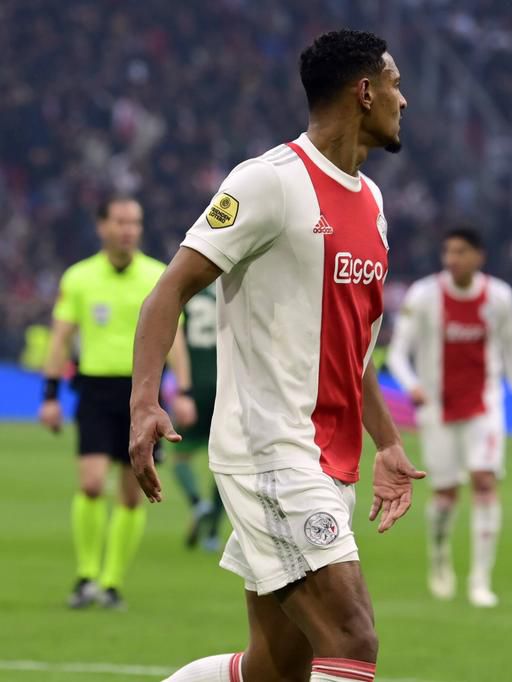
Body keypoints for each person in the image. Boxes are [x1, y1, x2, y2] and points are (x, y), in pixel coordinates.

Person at [130, 29, 423, 682]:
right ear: (365, 92)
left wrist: (387, 442)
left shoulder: (372, 203)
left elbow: (352, 345)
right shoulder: (268, 182)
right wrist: (144, 401)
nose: (403, 100)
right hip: (271, 450)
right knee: (352, 639)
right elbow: (167, 291)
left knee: (277, 668)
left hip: (330, 461)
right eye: (396, 84)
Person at [38, 195, 195, 610]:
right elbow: (61, 337)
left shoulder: (158, 275)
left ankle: (110, 582)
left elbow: (174, 339)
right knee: (90, 484)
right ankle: (86, 575)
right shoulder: (79, 277)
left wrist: (183, 392)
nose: (128, 230)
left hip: (141, 394)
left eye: (135, 223)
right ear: (102, 226)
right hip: (94, 390)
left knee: (130, 494)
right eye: (121, 222)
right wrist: (50, 396)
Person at [387, 227, 512, 607]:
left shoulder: (499, 296)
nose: (452, 259)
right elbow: (398, 352)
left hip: (484, 406)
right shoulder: (423, 296)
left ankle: (480, 580)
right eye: (448, 252)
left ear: (479, 256)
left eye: (461, 252)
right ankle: (439, 558)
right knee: (445, 492)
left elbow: (511, 350)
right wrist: (411, 385)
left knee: (484, 481)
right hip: (437, 409)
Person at [175, 283, 226, 551]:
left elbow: (174, 341)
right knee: (228, 464)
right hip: (228, 389)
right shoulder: (234, 288)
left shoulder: (187, 291)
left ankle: (198, 503)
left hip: (193, 388)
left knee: (180, 456)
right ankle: (213, 531)